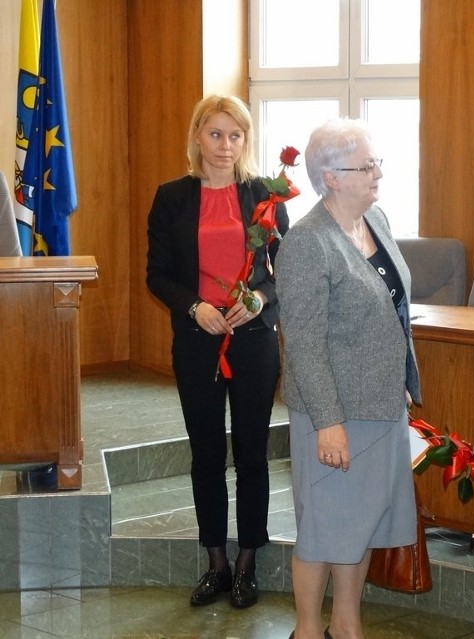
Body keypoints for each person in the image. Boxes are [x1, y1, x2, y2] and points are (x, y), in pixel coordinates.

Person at [275, 118, 421, 639]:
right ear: (331, 177)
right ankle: (309, 630)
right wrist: (328, 423)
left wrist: (401, 375)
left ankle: (347, 624)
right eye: (367, 165)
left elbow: (394, 308)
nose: (378, 172)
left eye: (377, 161)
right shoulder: (307, 243)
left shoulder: (374, 219)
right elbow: (305, 342)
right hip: (333, 411)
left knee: (362, 524)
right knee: (325, 528)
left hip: (381, 404)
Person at [146, 95, 289, 609]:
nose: (225, 146)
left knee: (252, 453)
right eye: (215, 134)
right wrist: (193, 307)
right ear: (197, 137)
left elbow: (283, 268)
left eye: (236, 135)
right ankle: (216, 562)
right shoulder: (171, 197)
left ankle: (248, 561)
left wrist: (258, 299)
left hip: (252, 339)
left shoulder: (265, 197)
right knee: (206, 453)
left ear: (245, 140)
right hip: (198, 340)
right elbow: (157, 274)